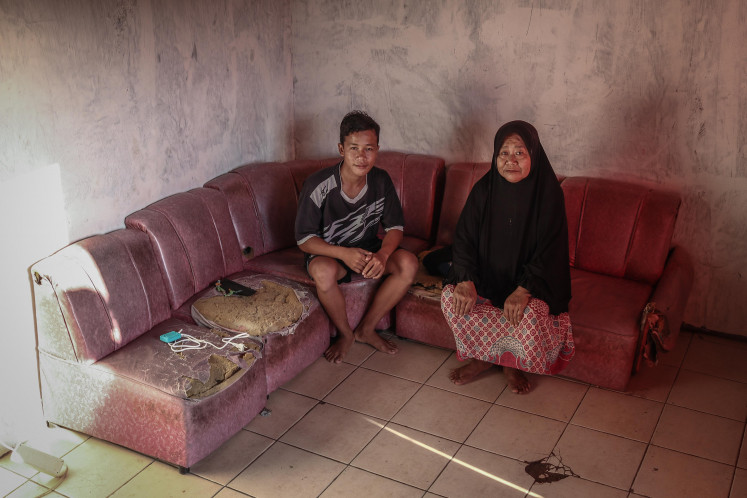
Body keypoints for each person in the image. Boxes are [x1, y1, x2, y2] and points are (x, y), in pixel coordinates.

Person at [440, 120, 575, 394]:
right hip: (487, 275)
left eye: (519, 153)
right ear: (495, 156)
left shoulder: (549, 195)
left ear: (533, 156)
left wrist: (524, 289)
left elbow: (550, 250)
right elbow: (464, 237)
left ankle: (511, 364)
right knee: (452, 296)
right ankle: (481, 358)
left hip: (531, 281)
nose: (510, 161)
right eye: (504, 153)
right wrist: (465, 280)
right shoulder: (484, 189)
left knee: (532, 313)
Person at [295, 110, 418, 363]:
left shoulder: (381, 180)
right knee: (323, 272)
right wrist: (343, 254)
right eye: (354, 148)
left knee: (408, 263)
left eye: (369, 149)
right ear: (341, 149)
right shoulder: (319, 185)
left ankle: (366, 329)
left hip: (369, 250)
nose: (362, 157)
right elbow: (304, 240)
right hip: (331, 253)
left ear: (377, 150)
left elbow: (395, 227)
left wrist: (383, 255)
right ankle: (346, 334)